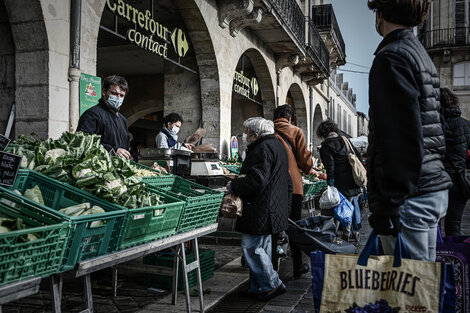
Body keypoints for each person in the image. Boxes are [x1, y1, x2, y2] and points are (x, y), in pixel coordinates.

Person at [367, 0, 452, 261]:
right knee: (420, 289)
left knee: (406, 294)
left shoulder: (392, 56)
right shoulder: (418, 52)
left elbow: (400, 137)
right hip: (428, 187)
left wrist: (389, 205)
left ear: (379, 14)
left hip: (409, 196)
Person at [227, 117, 292, 301]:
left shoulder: (261, 148)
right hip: (272, 206)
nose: (245, 136)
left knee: (252, 248)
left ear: (256, 135)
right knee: (262, 247)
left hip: (261, 207)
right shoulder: (277, 145)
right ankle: (259, 287)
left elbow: (257, 180)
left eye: (247, 132)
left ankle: (272, 284)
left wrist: (234, 186)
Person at [273, 104, 314, 278]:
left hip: (274, 186)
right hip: (294, 186)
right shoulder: (296, 131)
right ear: (290, 117)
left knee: (274, 227)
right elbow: (306, 163)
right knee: (294, 226)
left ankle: (273, 268)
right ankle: (297, 266)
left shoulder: (268, 130)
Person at [317, 120, 362, 239]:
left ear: (323, 133)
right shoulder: (345, 140)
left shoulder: (326, 146)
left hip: (338, 182)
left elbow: (330, 167)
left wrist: (330, 183)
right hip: (352, 181)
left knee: (335, 209)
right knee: (347, 208)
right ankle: (347, 233)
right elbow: (358, 155)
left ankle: (333, 235)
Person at [77, 75, 131, 159]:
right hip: (98, 168)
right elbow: (83, 143)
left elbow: (126, 147)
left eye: (121, 95)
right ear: (103, 91)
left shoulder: (122, 119)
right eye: (114, 93)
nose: (118, 98)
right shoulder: (92, 114)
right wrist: (113, 150)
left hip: (119, 169)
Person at [441, 88, 470, 236]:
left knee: (433, 226)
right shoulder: (466, 125)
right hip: (459, 182)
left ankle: (434, 256)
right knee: (454, 226)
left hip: (436, 181)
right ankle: (453, 257)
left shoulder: (433, 126)